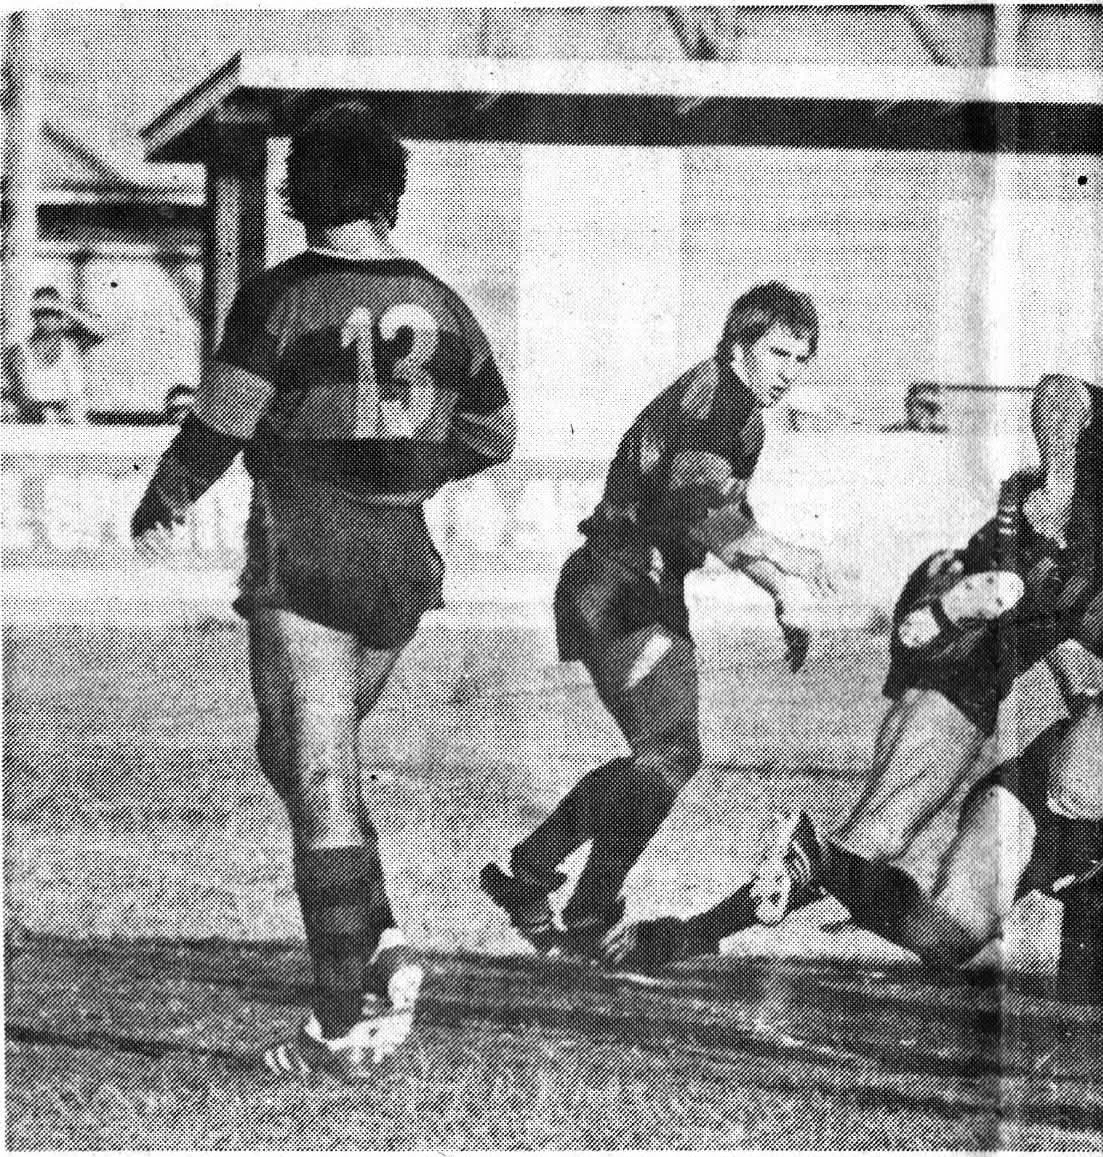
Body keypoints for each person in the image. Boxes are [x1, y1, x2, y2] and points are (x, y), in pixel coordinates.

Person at [613, 372, 1103, 969]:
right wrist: (1057, 477)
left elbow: (1065, 618)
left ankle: (687, 933)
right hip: (968, 607)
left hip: (980, 662)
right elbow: (1062, 392)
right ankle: (965, 596)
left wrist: (1074, 688)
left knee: (875, 839)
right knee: (1081, 616)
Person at [128, 103, 516, 1076]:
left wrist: (164, 496)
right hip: (402, 559)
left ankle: (343, 1020)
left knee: (321, 780)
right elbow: (493, 432)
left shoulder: (283, 296)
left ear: (300, 188)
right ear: (390, 188)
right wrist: (408, 462)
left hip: (306, 547)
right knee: (300, 755)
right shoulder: (444, 300)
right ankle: (379, 941)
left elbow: (222, 420)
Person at [480, 282, 833, 961]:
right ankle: (567, 895)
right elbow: (701, 503)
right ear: (739, 349)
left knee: (664, 755)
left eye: (802, 358)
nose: (790, 371)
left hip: (644, 586)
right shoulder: (713, 398)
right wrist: (788, 563)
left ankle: (542, 877)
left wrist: (779, 590)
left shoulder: (745, 419)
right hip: (616, 583)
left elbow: (721, 531)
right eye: (779, 353)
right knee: (667, 754)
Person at [609, 714, 1103, 1014]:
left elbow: (1079, 978)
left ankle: (800, 869)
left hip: (1050, 845)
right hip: (1059, 796)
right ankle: (718, 918)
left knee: (945, 937)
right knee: (906, 865)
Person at [6, 285, 104, 423]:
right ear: (34, 315)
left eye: (54, 313)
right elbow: (22, 398)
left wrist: (67, 308)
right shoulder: (18, 352)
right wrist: (49, 413)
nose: (49, 319)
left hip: (74, 426)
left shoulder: (73, 345)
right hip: (36, 425)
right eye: (44, 313)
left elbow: (100, 332)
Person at [881, 381, 948, 433]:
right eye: (921, 405)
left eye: (931, 407)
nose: (926, 412)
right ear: (909, 406)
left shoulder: (942, 433)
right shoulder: (892, 433)